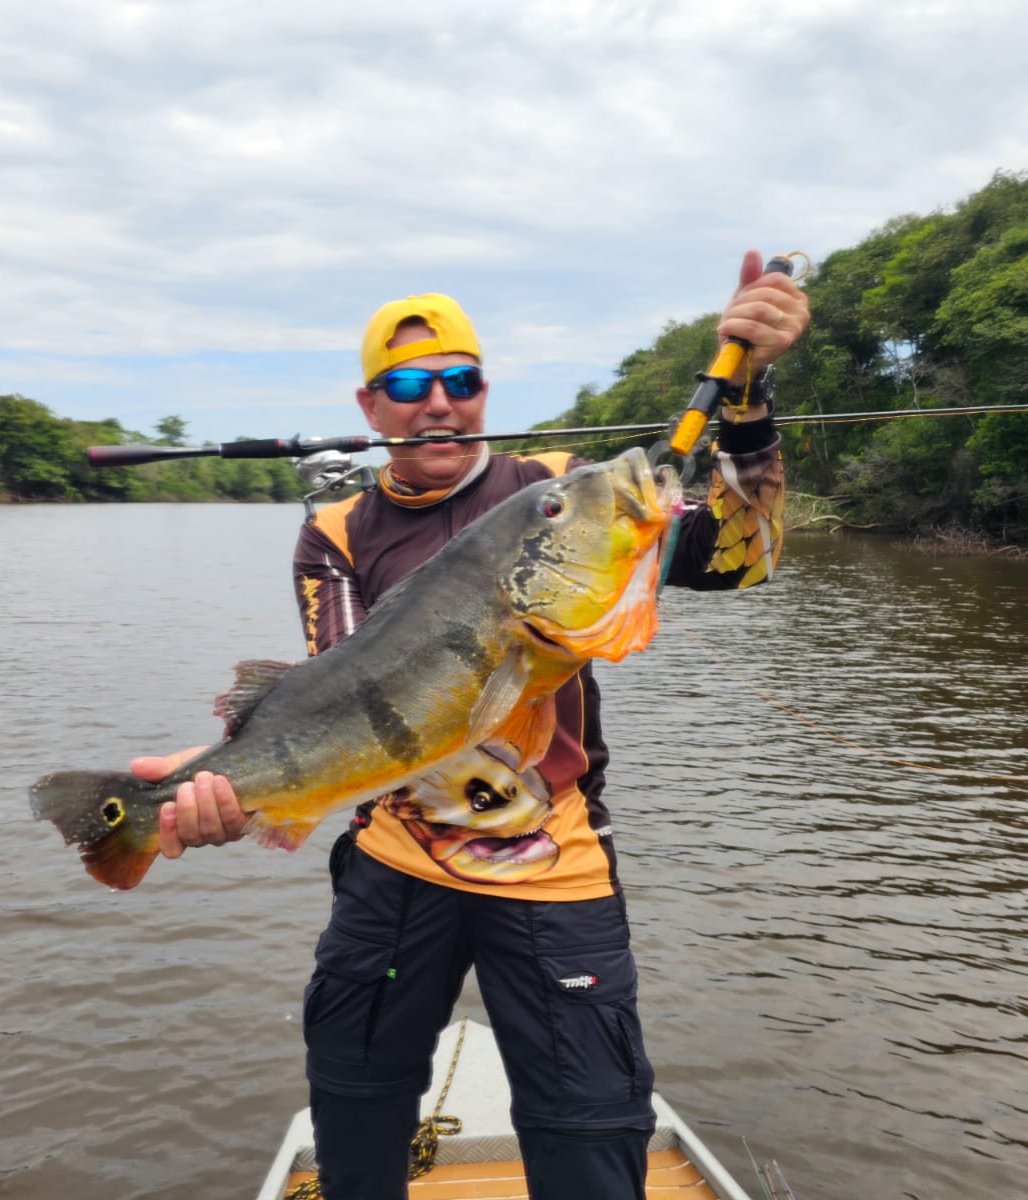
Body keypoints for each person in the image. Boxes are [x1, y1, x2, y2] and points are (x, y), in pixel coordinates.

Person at [131, 251, 810, 1200]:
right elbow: (348, 699)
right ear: (371, 407)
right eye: (408, 385)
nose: (438, 402)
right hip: (396, 860)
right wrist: (232, 785)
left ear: (486, 391)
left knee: (592, 1133)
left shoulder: (563, 489)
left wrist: (749, 402)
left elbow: (746, 559)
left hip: (556, 858)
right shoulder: (335, 532)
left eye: (460, 379)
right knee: (356, 1114)